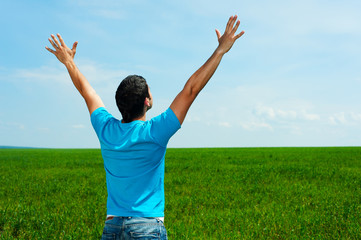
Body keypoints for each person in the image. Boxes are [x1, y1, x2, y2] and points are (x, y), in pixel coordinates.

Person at [46, 15, 244, 240]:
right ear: (146, 101)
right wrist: (220, 51)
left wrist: (69, 62)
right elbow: (190, 90)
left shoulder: (106, 130)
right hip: (147, 229)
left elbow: (87, 92)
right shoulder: (155, 132)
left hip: (112, 227)